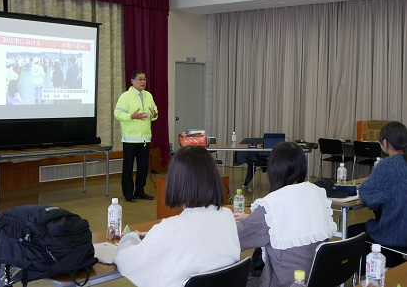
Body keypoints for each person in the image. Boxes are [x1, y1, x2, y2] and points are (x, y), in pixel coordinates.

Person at [114, 146, 241, 287]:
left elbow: (125, 262)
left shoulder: (170, 228)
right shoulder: (227, 217)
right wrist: (155, 235)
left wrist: (131, 237)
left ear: (176, 181)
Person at [234, 142, 337, 287]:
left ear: (275, 169)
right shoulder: (316, 192)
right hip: (316, 279)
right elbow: (297, 217)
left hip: (282, 282)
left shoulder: (272, 204)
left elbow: (235, 238)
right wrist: (253, 218)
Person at [347, 121, 407, 268]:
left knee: (351, 232)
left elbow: (368, 196)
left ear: (385, 143)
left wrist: (364, 187)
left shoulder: (387, 166)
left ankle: (364, 272)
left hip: (394, 234)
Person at [114, 70, 158, 202]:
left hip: (144, 138)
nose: (143, 82)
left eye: (144, 79)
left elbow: (155, 112)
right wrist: (131, 116)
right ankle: (128, 193)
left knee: (143, 167)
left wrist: (154, 115)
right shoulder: (125, 96)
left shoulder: (148, 95)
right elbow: (118, 114)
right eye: (140, 79)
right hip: (130, 139)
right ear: (132, 81)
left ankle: (140, 191)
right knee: (128, 167)